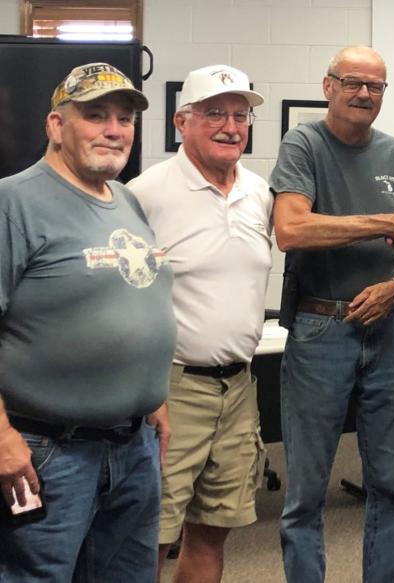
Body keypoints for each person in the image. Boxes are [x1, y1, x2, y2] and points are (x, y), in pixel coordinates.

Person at [0, 63, 175, 581]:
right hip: (48, 451)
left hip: (133, 448)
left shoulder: (126, 200)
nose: (114, 129)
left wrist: (154, 397)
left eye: (125, 119)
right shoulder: (14, 202)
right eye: (95, 116)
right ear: (56, 126)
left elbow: (134, 296)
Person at [270, 46, 394, 583]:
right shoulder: (303, 144)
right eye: (353, 83)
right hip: (322, 330)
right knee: (307, 490)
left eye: (376, 87)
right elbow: (293, 230)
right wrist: (380, 223)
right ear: (328, 86)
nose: (365, 94)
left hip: (390, 327)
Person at [127, 64, 270, 583]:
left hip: (238, 388)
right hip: (172, 389)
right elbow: (124, 300)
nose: (231, 126)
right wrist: (147, 390)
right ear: (182, 122)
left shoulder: (259, 192)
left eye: (240, 115)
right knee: (151, 536)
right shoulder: (144, 194)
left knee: (212, 530)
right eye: (215, 114)